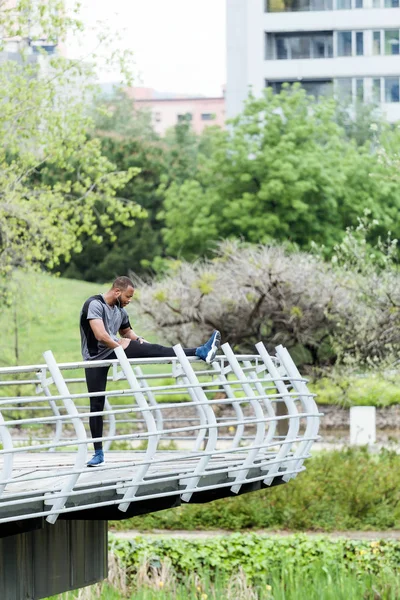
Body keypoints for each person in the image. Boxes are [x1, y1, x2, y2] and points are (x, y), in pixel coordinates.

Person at [80, 276, 221, 467]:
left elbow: (127, 332)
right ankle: (98, 454)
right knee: (96, 405)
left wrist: (138, 340)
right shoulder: (94, 304)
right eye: (128, 296)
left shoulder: (120, 311)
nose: (130, 300)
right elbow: (101, 335)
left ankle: (200, 351)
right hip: (95, 358)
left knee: (153, 349)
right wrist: (119, 345)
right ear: (117, 292)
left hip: (114, 352)